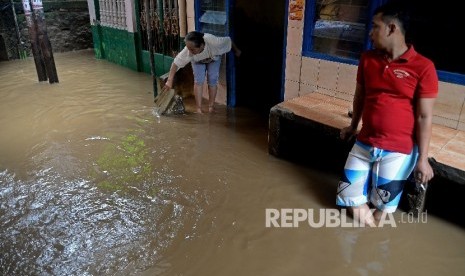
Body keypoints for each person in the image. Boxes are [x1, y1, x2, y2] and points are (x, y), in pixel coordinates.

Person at [336, 2, 438, 226]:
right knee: (349, 195)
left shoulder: (424, 67)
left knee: (383, 210)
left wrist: (422, 159)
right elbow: (360, 97)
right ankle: (367, 240)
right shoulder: (367, 59)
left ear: (391, 29)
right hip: (364, 144)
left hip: (398, 152)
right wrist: (353, 127)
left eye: (374, 27)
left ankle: (366, 245)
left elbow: (424, 117)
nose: (370, 33)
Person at [162, 31, 241, 113]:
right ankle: (198, 108)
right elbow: (175, 63)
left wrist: (237, 50)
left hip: (213, 58)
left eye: (192, 49)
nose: (189, 52)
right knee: (198, 81)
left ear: (202, 45)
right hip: (197, 61)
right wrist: (169, 81)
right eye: (188, 48)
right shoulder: (188, 51)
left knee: (212, 79)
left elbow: (228, 41)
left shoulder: (214, 42)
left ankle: (211, 107)